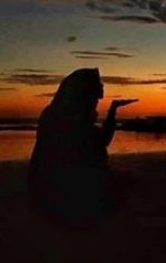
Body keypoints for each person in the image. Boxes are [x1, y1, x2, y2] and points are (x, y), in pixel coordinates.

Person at [28, 68, 137, 222]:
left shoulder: (58, 113)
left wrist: (112, 110)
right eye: (98, 87)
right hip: (64, 184)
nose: (102, 88)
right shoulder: (69, 118)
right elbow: (100, 141)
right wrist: (112, 111)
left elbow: (98, 140)